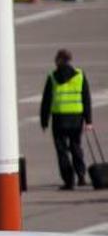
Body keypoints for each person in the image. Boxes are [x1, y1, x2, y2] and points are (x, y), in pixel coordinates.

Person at [40, 49, 94, 190]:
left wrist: (44, 120)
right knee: (76, 146)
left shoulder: (52, 76)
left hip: (59, 119)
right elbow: (86, 99)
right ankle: (81, 176)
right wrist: (88, 121)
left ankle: (68, 181)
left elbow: (46, 101)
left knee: (62, 150)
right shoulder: (80, 75)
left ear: (59, 60)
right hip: (76, 118)